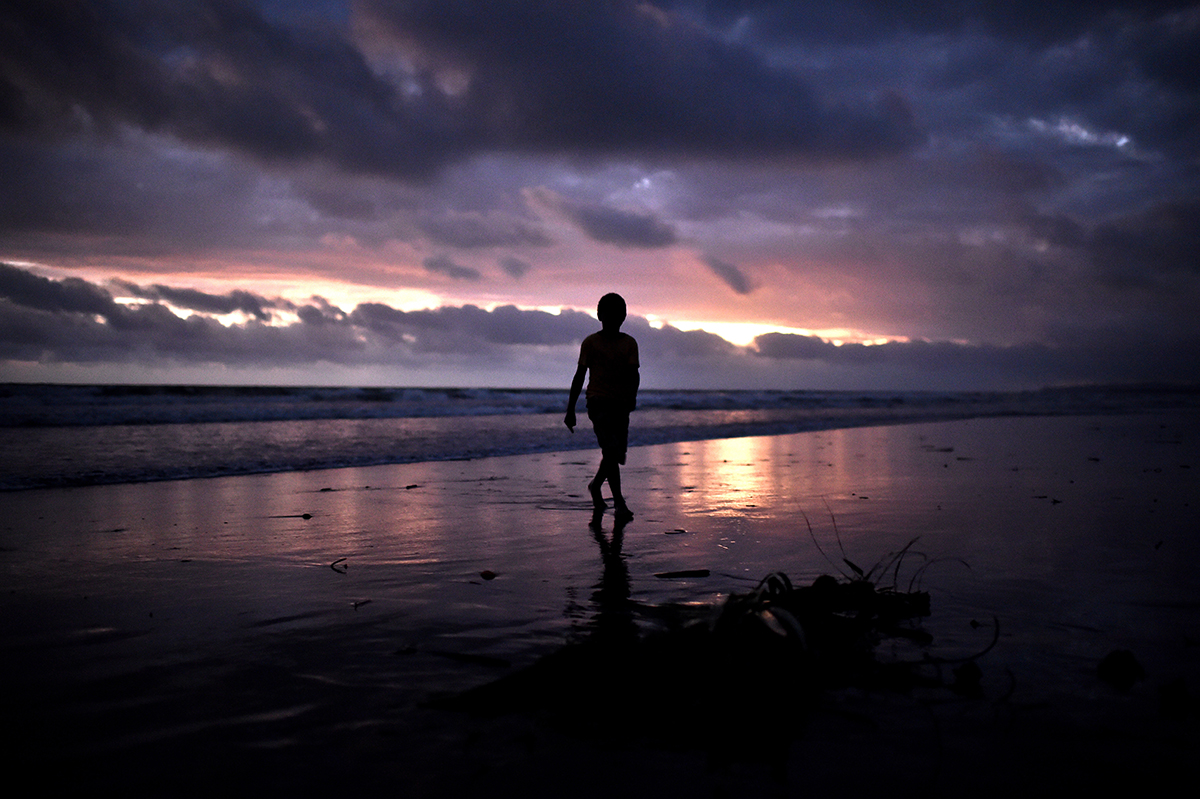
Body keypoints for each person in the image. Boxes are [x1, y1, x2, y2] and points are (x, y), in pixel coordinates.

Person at [565, 293, 639, 521]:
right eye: (608, 313)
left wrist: (631, 398)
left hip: (621, 404)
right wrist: (570, 410)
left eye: (618, 313)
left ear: (624, 316)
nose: (613, 317)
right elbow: (579, 376)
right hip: (598, 402)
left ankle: (596, 485)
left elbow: (633, 375)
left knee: (615, 454)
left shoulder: (629, 343)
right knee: (610, 450)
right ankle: (619, 503)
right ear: (599, 315)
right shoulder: (591, 342)